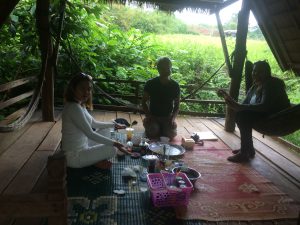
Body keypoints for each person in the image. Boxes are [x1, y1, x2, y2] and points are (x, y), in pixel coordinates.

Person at [218, 60, 290, 163]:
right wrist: (229, 99)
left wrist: (240, 107)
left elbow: (265, 106)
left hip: (275, 118)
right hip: (262, 115)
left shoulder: (271, 84)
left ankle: (244, 152)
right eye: (254, 71)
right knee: (240, 114)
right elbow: (244, 104)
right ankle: (249, 149)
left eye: (260, 71)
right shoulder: (255, 86)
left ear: (267, 72)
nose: (255, 73)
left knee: (242, 116)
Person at [61, 72, 128, 169]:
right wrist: (116, 144)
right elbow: (90, 134)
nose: (86, 92)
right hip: (74, 157)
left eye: (88, 89)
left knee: (106, 131)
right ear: (73, 89)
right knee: (112, 148)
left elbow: (94, 123)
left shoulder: (80, 104)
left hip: (84, 145)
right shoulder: (73, 108)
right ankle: (94, 162)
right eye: (82, 88)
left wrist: (114, 125)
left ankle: (94, 160)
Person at [142, 57, 180, 140]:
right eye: (164, 68)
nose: (167, 69)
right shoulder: (150, 83)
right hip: (153, 116)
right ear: (159, 69)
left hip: (167, 117)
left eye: (169, 67)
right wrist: (148, 116)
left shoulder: (175, 85)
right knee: (153, 132)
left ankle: (162, 128)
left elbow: (177, 105)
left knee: (171, 134)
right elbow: (144, 102)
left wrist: (173, 119)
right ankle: (155, 127)